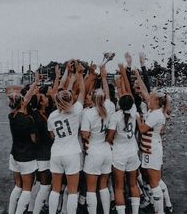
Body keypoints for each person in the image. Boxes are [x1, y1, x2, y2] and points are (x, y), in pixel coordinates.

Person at [47, 63, 85, 214]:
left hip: (56, 152)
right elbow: (82, 92)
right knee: (72, 190)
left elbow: (52, 135)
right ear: (70, 100)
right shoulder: (76, 111)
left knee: (55, 189)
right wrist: (80, 74)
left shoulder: (52, 116)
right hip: (72, 153)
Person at [80, 66, 114, 214]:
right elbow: (107, 96)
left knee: (91, 189)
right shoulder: (109, 106)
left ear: (92, 99)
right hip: (106, 150)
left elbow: (85, 135)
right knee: (104, 186)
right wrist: (104, 77)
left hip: (94, 151)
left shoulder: (88, 113)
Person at [8, 79, 39, 214]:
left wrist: (34, 84)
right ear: (23, 103)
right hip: (26, 157)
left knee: (18, 187)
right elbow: (34, 140)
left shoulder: (11, 116)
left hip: (14, 155)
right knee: (27, 189)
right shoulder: (28, 120)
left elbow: (24, 99)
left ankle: (11, 211)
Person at [136, 91, 170, 214]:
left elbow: (142, 129)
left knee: (154, 182)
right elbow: (145, 94)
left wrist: (137, 118)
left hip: (152, 150)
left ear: (156, 101)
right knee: (153, 181)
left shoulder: (156, 114)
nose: (147, 100)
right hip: (149, 149)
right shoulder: (154, 111)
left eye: (150, 99)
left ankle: (159, 211)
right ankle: (164, 207)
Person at [107, 94, 140, 214]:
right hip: (132, 152)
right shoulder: (135, 113)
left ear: (119, 104)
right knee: (133, 184)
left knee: (119, 187)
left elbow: (110, 137)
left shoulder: (115, 116)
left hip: (119, 154)